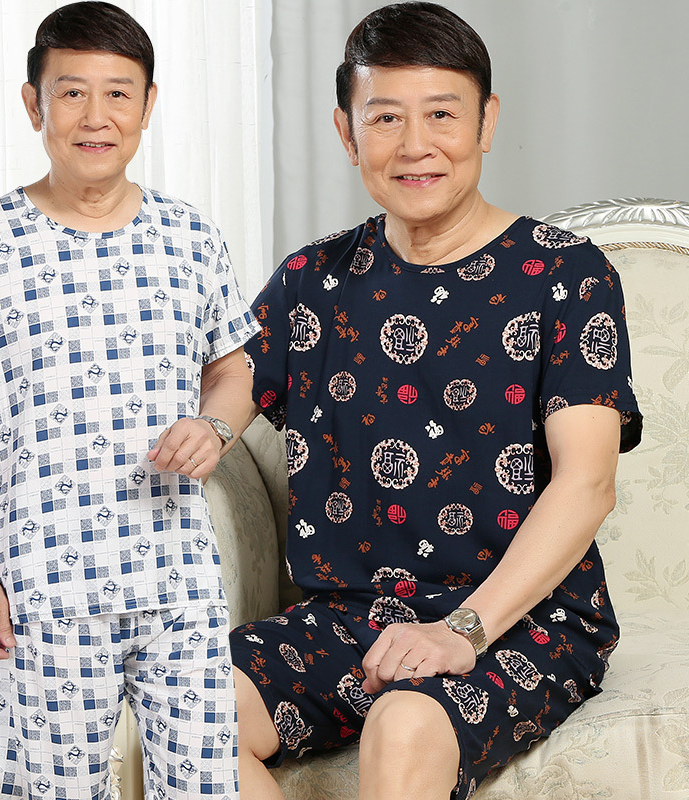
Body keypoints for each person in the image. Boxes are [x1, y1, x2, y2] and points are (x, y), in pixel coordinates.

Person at [230, 3, 642, 799]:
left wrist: (463, 629)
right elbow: (221, 391)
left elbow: (588, 482)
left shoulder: (567, 273)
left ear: (487, 122)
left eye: (442, 115)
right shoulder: (312, 280)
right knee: (186, 706)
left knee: (405, 722)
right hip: (349, 617)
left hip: (521, 618)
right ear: (347, 133)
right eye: (385, 117)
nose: (415, 145)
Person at [0, 3, 258, 798]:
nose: (96, 117)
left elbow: (236, 373)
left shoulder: (192, 238)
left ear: (148, 104)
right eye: (72, 93)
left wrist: (214, 427)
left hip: (179, 581)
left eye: (118, 94)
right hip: (41, 588)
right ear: (33, 104)